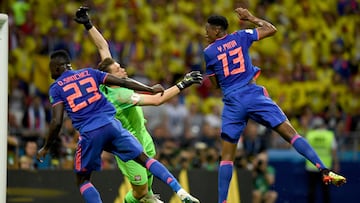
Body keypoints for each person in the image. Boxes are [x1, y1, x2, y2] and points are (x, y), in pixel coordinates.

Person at [202, 7, 347, 203]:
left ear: (217, 30)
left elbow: (215, 86)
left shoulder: (209, 52)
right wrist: (250, 18)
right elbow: (271, 29)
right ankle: (324, 169)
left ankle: (222, 201)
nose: (205, 33)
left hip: (232, 102)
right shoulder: (241, 36)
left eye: (208, 30)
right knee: (291, 134)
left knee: (227, 156)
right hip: (253, 94)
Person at [74, 6, 202, 203]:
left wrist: (88, 25)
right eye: (118, 68)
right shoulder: (120, 94)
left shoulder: (106, 83)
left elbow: (103, 48)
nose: (122, 69)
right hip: (127, 143)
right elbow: (158, 100)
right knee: (140, 193)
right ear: (112, 75)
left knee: (147, 193)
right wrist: (183, 83)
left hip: (144, 137)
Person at [36, 49, 200, 203]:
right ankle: (179, 191)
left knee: (83, 179)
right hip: (113, 127)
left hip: (90, 133)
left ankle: (151, 197)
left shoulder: (56, 87)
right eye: (118, 67)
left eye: (50, 68)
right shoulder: (90, 73)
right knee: (145, 167)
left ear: (57, 68)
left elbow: (57, 121)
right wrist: (151, 88)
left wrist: (45, 147)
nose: (122, 69)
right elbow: (123, 80)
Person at [305, 117, 340, 203]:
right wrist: (336, 164)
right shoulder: (329, 135)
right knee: (326, 190)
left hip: (312, 166)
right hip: (325, 167)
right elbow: (334, 150)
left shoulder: (310, 134)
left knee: (311, 190)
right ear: (323, 125)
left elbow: (305, 149)